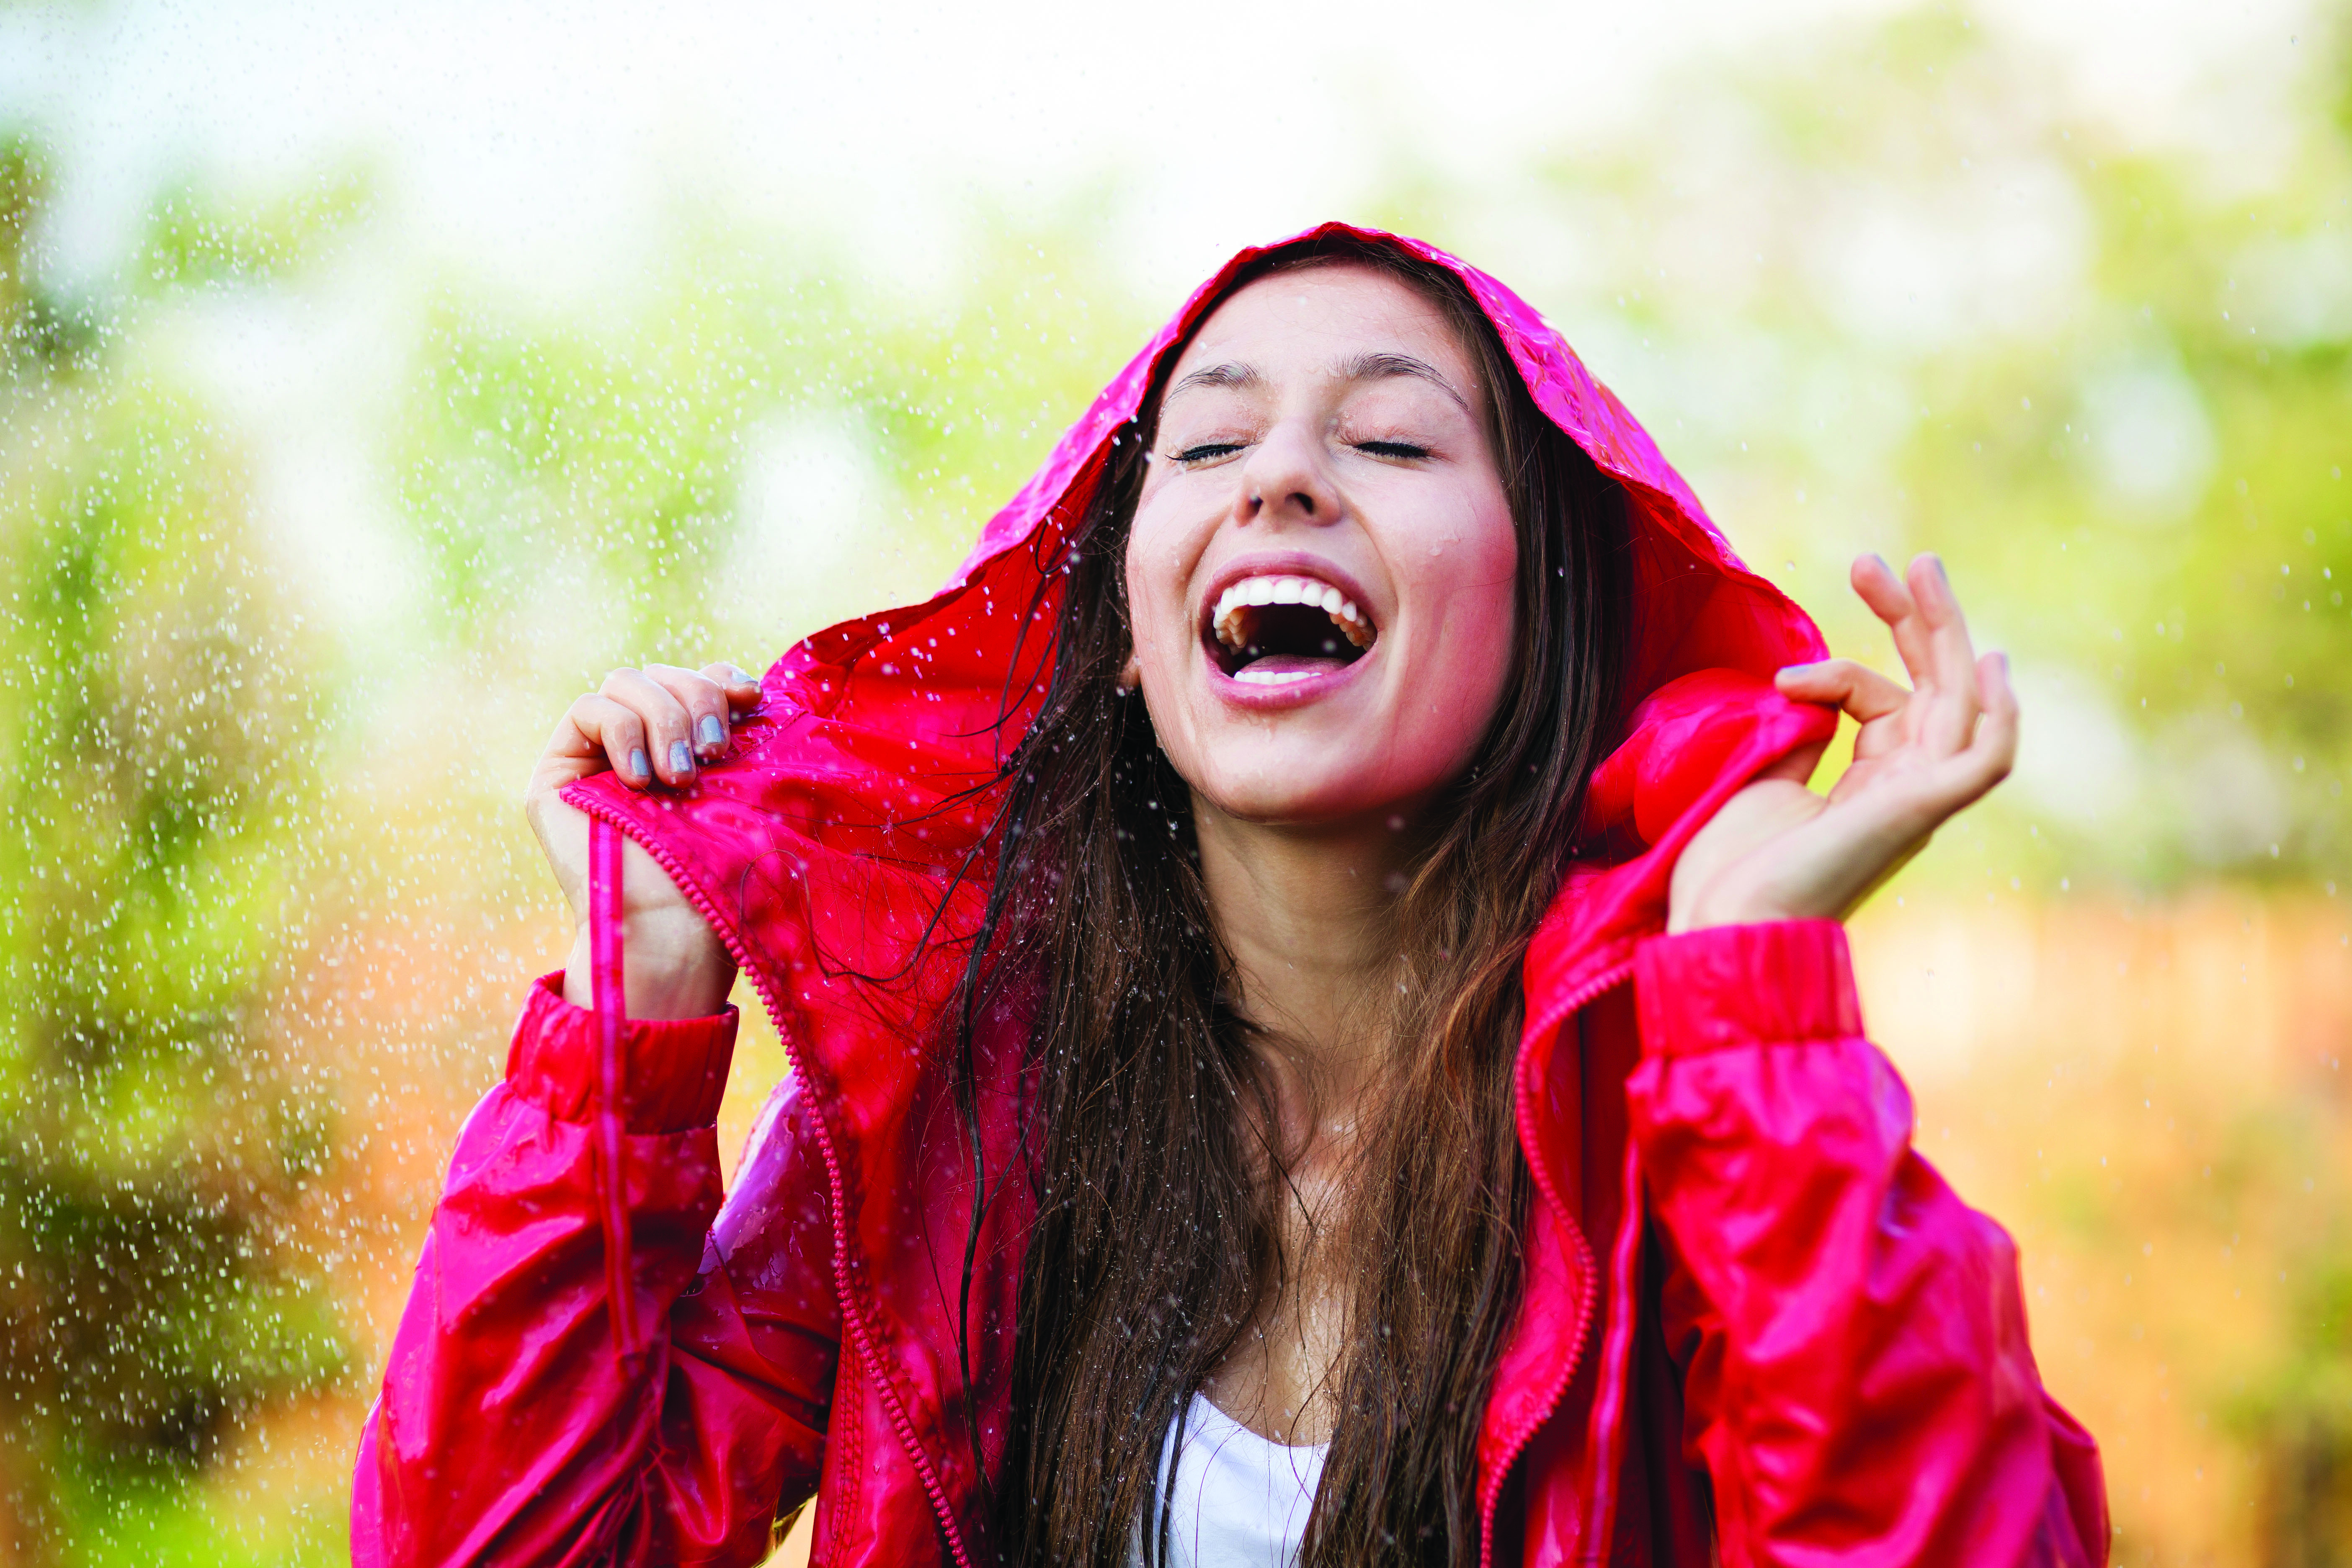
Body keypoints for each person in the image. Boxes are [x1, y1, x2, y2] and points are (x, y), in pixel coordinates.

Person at [351, 226, 2108, 1568]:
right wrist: (634, 1009)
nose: (1282, 475)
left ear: (1549, 604)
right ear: (1124, 634)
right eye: (1205, 448)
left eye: (1395, 442)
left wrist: (1752, 993)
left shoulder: (1687, 1118)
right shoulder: (944, 1104)